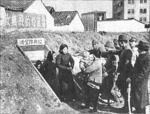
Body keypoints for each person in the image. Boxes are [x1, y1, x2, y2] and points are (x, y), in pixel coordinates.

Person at [131, 41, 150, 113]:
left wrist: (135, 79)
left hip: (141, 83)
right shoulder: (141, 56)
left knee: (141, 102)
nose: (138, 50)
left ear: (143, 49)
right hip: (137, 82)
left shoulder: (147, 58)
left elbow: (144, 72)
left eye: (139, 48)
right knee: (137, 101)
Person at [116, 34, 133, 110]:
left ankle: (127, 107)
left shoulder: (128, 51)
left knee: (125, 90)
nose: (118, 44)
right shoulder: (124, 49)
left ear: (122, 42)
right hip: (123, 73)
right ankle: (126, 105)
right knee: (122, 89)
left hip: (126, 74)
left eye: (119, 42)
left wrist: (121, 73)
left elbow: (127, 64)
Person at [101, 41, 119, 105]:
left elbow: (114, 68)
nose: (105, 48)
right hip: (108, 74)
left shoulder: (114, 56)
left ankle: (117, 100)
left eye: (106, 47)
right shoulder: (109, 54)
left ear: (110, 47)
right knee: (107, 88)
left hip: (112, 74)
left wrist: (107, 73)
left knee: (111, 89)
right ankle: (109, 102)